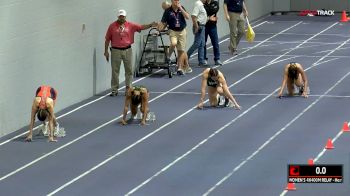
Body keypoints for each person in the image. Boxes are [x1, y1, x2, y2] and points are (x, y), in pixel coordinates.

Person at [104, 9, 157, 96]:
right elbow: (107, 39)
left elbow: (141, 27)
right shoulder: (112, 26)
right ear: (118, 16)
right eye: (120, 16)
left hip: (127, 49)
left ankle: (128, 89)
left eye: (123, 16)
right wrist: (105, 51)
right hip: (115, 50)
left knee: (129, 70)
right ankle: (114, 89)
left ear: (125, 17)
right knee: (115, 70)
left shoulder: (130, 25)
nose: (122, 18)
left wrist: (150, 25)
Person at [159, 0, 191, 75]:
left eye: (178, 0)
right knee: (173, 43)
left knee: (181, 50)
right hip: (173, 30)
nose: (177, 2)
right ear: (172, 1)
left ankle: (179, 68)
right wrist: (159, 29)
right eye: (175, 0)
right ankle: (168, 56)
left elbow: (187, 17)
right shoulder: (168, 11)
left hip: (182, 31)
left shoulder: (181, 8)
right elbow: (163, 22)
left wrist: (181, 8)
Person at [187, 0, 208, 67]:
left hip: (202, 26)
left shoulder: (201, 5)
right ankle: (185, 57)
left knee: (202, 44)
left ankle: (201, 61)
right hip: (199, 26)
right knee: (197, 44)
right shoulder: (198, 4)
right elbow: (193, 16)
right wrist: (196, 26)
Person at [204, 0, 222, 65]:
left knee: (215, 43)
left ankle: (217, 59)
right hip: (204, 26)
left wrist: (206, 11)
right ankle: (204, 59)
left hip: (213, 26)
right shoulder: (202, 3)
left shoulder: (215, 3)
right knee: (203, 43)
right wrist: (208, 15)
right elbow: (202, 12)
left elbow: (214, 10)